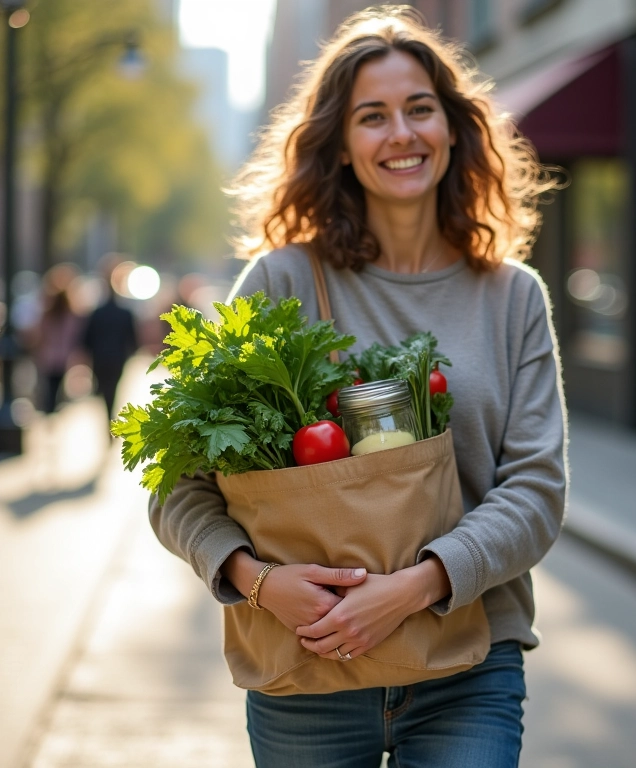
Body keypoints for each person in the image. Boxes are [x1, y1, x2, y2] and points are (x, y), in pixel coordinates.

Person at [149, 7, 567, 766]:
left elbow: (536, 491)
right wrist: (258, 581)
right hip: (305, 667)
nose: (400, 134)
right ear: (340, 147)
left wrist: (413, 588)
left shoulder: (513, 297)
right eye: (372, 117)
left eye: (420, 109)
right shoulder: (280, 282)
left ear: (453, 127)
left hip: (468, 667)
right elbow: (180, 487)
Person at [81, 265, 138, 425]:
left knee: (106, 389)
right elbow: (133, 339)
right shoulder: (125, 313)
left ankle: (109, 417)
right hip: (118, 358)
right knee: (112, 388)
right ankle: (110, 417)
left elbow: (86, 339)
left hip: (100, 358)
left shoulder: (97, 313)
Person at [29, 266, 83, 414]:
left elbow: (40, 334)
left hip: (48, 356)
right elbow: (74, 337)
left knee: (48, 387)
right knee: (56, 387)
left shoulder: (47, 315)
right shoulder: (70, 316)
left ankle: (50, 410)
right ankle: (52, 410)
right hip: (62, 357)